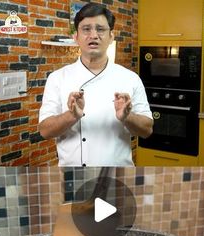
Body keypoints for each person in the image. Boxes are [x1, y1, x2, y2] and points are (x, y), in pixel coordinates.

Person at [39, 2, 153, 167]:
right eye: (86, 29)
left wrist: (127, 117)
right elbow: (44, 131)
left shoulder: (130, 78)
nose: (93, 35)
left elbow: (147, 130)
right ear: (76, 37)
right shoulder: (57, 78)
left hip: (118, 176)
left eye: (100, 29)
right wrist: (71, 116)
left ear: (111, 37)